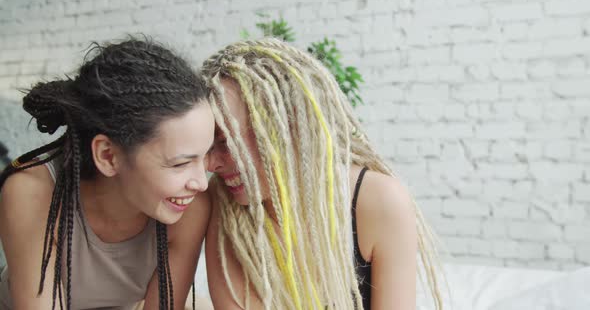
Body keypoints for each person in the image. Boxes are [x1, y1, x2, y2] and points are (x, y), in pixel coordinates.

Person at [200, 38, 443, 309]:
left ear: (287, 126)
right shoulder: (224, 206)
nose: (210, 164)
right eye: (205, 146)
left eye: (225, 142)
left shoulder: (378, 200)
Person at [0, 37, 214, 310]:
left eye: (204, 155)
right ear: (107, 155)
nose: (201, 183)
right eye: (179, 164)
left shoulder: (190, 207)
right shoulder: (31, 193)